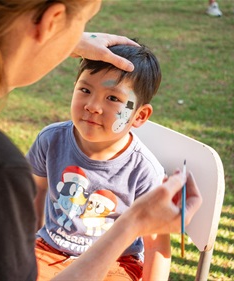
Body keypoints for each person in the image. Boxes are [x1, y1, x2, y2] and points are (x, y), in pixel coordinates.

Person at [0, 1, 202, 280]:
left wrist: (57, 40)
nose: (94, 106)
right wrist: (133, 223)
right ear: (52, 20)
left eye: (111, 97)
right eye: (82, 22)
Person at [27, 42, 170, 280]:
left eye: (113, 97)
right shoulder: (51, 140)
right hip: (50, 251)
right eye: (85, 91)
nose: (92, 106)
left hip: (115, 263)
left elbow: (156, 247)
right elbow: (35, 191)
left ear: (139, 115)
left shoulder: (145, 171)